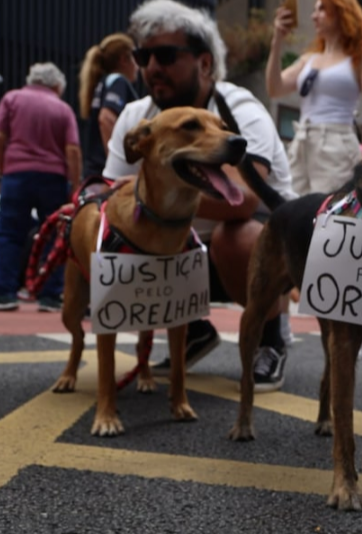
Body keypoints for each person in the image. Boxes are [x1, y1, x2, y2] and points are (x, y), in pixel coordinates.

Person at [104, 0, 296, 391]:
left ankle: (269, 338)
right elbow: (110, 196)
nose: (152, 66)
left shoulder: (240, 109)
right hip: (181, 248)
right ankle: (191, 330)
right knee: (111, 236)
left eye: (166, 55)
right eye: (143, 55)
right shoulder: (136, 115)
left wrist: (154, 195)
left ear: (205, 63)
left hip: (253, 248)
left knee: (236, 235)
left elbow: (242, 200)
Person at [0, 62, 80, 313]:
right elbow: (72, 149)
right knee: (56, 235)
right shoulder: (63, 108)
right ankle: (50, 294)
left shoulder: (12, 98)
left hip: (17, 174)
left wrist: (4, 167)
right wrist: (75, 184)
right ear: (57, 86)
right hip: (53, 177)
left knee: (9, 234)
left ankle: (4, 291)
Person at [266, 0, 362, 195]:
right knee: (292, 209)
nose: (314, 16)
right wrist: (277, 40)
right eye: (313, 10)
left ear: (341, 13)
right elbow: (275, 88)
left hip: (337, 146)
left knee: (325, 213)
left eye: (322, 9)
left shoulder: (361, 59)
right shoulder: (308, 59)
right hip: (301, 142)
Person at [78, 32, 139, 179]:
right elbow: (106, 119)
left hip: (93, 171)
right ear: (124, 59)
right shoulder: (118, 81)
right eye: (136, 59)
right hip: (104, 173)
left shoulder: (103, 82)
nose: (138, 66)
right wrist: (118, 166)